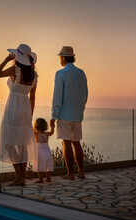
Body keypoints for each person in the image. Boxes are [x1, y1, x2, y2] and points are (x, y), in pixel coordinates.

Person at [0, 44, 38, 186]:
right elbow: (33, 98)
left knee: (9, 143)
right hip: (26, 109)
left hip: (13, 108)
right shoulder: (34, 75)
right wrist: (30, 114)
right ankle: (21, 177)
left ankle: (19, 176)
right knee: (23, 144)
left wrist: (6, 60)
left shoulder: (15, 70)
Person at [50, 46, 88, 180]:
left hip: (64, 114)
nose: (60, 59)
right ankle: (81, 172)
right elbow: (85, 94)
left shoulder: (60, 73)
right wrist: (80, 109)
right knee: (76, 143)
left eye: (60, 57)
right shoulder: (81, 73)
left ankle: (70, 173)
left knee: (67, 143)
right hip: (78, 114)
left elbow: (57, 96)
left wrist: (54, 116)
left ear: (64, 58)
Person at [33, 118, 54, 183]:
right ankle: (48, 178)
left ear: (36, 126)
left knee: (39, 164)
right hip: (46, 150)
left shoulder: (36, 134)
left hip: (39, 150)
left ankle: (41, 179)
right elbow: (52, 132)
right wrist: (52, 126)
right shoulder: (47, 134)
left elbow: (30, 130)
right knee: (47, 164)